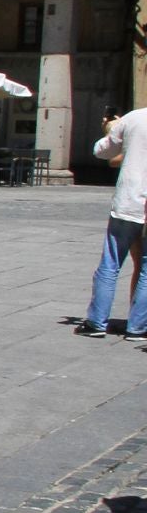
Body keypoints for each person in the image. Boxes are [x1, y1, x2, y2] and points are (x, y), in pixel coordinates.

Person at [76, 106, 147, 339]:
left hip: (129, 201)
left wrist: (112, 128)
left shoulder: (134, 118)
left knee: (111, 262)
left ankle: (97, 322)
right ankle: (138, 327)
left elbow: (102, 151)